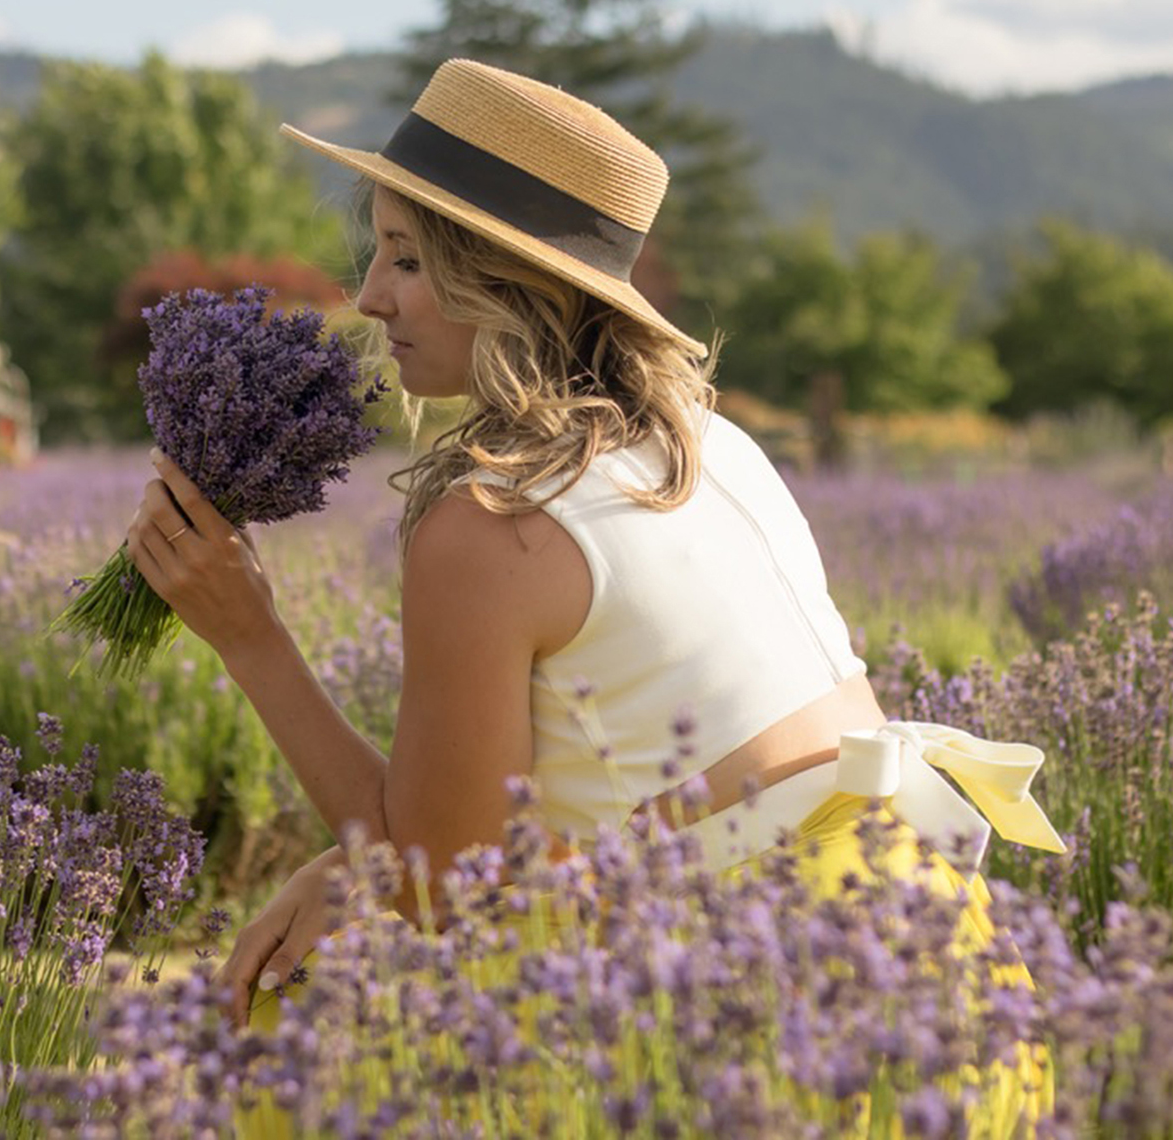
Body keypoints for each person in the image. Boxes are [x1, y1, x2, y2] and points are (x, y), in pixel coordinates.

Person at [124, 58, 1061, 1043]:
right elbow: (674, 806)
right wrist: (356, 859)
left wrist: (249, 637)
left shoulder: (496, 520)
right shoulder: (706, 440)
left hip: (771, 1014)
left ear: (502, 277)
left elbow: (447, 897)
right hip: (939, 977)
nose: (366, 298)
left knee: (287, 1027)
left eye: (403, 257)